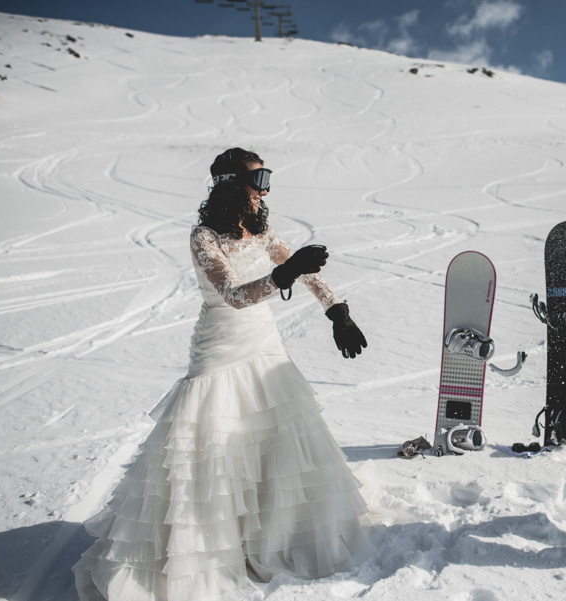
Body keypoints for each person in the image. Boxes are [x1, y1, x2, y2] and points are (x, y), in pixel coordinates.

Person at [73, 148, 372, 600]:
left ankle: (278, 535)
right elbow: (232, 294)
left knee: (278, 438)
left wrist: (337, 311)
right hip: (220, 349)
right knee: (212, 444)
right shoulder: (204, 237)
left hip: (264, 344)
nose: (265, 190)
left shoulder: (261, 230)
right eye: (259, 179)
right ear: (231, 183)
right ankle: (206, 548)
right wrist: (284, 273)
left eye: (268, 178)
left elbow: (304, 272)